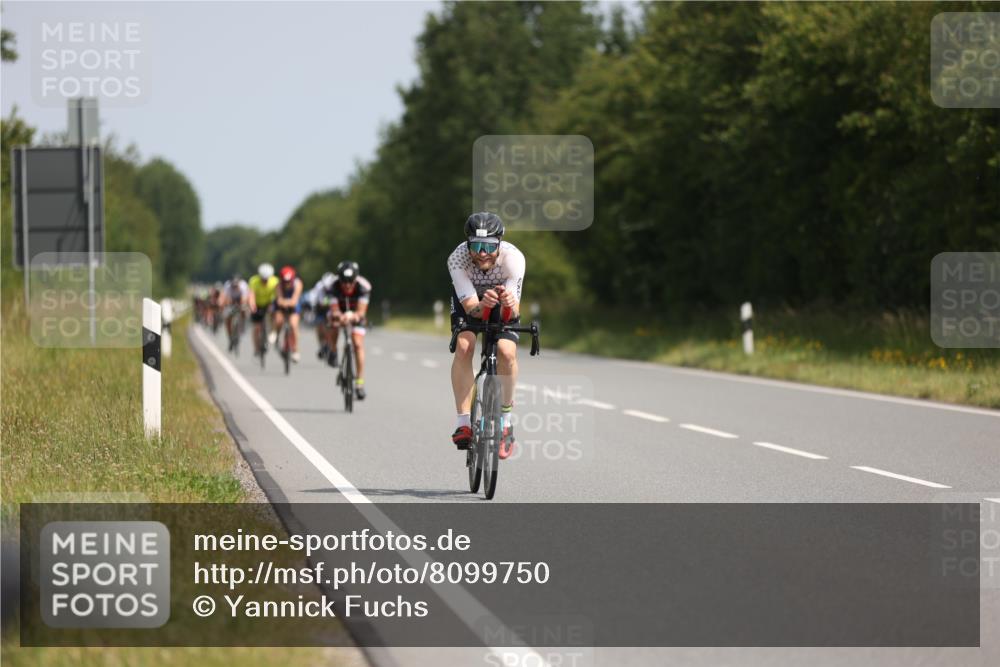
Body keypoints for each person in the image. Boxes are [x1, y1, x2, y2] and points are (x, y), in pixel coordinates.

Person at [447, 212, 524, 459]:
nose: (482, 253)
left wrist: (508, 304)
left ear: (499, 244)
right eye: (476, 246)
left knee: (506, 353)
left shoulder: (513, 259)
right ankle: (463, 422)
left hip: (501, 301)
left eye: (489, 247)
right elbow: (472, 309)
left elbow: (514, 311)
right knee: (464, 345)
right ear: (467, 244)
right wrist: (484, 304)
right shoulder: (457, 260)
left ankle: (506, 422)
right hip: (471, 302)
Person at [326, 261, 372, 400]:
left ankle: (359, 382)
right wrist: (340, 317)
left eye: (350, 282)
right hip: (339, 313)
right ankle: (333, 351)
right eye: (344, 282)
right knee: (333, 325)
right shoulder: (333, 286)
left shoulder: (364, 287)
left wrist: (354, 316)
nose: (347, 285)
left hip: (355, 313)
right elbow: (334, 310)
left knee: (357, 344)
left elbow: (361, 311)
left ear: (355, 279)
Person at [270, 265, 304, 362]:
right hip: (281, 306)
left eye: (289, 281)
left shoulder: (298, 284)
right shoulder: (278, 285)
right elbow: (279, 300)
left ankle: (295, 350)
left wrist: (287, 302)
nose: (287, 283)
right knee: (279, 319)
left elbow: (295, 300)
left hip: (293, 305)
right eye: (285, 281)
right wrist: (285, 302)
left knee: (293, 325)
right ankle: (276, 333)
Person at [248, 263, 278, 356]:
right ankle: (256, 348)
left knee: (275, 315)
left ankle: (273, 331)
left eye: (266, 279)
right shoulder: (254, 281)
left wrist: (273, 305)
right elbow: (251, 295)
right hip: (257, 304)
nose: (265, 281)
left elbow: (277, 295)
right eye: (263, 279)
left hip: (269, 303)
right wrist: (252, 306)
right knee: (256, 328)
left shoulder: (275, 281)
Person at [309, 272, 338, 360]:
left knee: (332, 327)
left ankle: (332, 347)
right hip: (320, 309)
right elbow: (317, 300)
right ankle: (322, 345)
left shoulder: (337, 285)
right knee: (320, 327)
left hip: (332, 308)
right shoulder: (319, 287)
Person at [220, 273, 249, 351]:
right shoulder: (227, 285)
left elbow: (245, 298)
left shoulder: (243, 285)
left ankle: (242, 324)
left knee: (244, 310)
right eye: (233, 285)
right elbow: (224, 297)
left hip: (240, 301)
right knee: (227, 317)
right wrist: (223, 304)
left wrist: (242, 305)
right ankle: (230, 337)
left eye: (236, 285)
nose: (235, 286)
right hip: (230, 302)